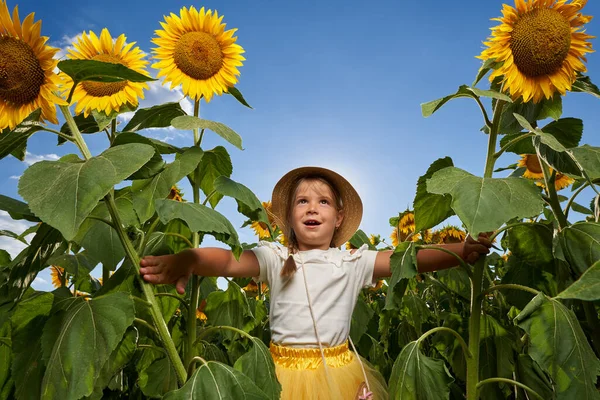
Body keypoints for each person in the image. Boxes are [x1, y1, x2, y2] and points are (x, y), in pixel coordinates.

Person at [139, 166, 492, 400]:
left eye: (323, 202)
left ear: (338, 218)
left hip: (339, 372)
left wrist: (462, 250)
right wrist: (189, 258)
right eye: (302, 202)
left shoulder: (352, 261)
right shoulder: (277, 258)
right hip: (282, 374)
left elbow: (408, 260)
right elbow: (230, 260)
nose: (312, 208)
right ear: (289, 217)